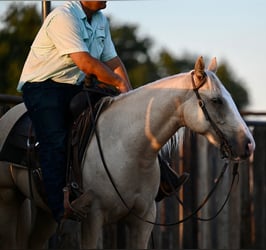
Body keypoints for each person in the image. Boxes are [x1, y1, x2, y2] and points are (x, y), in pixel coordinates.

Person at [17, 1, 187, 224]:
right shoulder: (63, 17)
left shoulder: (99, 21)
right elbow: (86, 63)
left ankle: (161, 177)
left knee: (117, 121)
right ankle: (61, 206)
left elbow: (113, 61)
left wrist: (128, 97)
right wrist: (116, 83)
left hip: (72, 86)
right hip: (43, 86)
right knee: (55, 137)